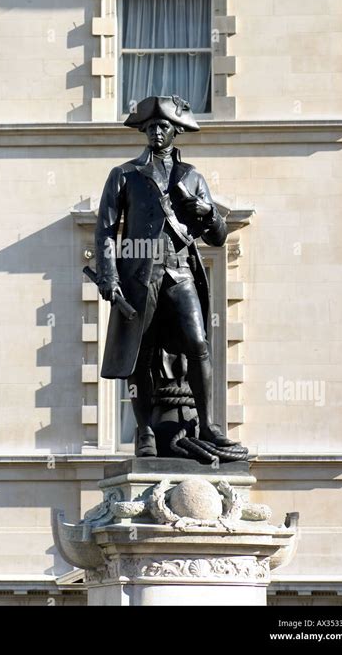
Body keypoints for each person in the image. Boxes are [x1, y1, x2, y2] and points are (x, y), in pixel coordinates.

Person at [95, 95, 237, 457]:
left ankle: (207, 425)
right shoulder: (124, 175)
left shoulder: (191, 176)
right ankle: (144, 432)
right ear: (143, 130)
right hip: (139, 275)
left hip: (179, 271)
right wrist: (109, 276)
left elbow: (218, 238)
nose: (157, 132)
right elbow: (106, 231)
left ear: (175, 131)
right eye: (152, 127)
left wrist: (207, 212)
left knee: (199, 344)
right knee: (138, 356)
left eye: (164, 126)